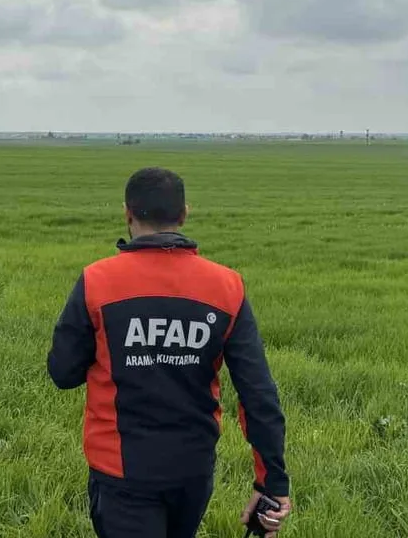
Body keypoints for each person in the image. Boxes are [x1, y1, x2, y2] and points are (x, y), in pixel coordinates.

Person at [47, 167, 292, 538]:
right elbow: (258, 394)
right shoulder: (227, 286)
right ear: (184, 214)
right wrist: (271, 484)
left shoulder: (97, 281)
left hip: (120, 471)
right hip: (191, 471)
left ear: (127, 213)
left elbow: (63, 373)